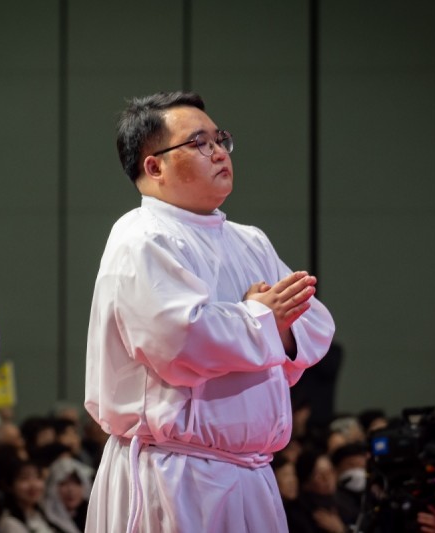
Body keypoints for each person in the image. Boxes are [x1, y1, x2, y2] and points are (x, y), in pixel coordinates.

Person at [84, 91, 335, 532]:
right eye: (200, 143)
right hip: (176, 472)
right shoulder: (142, 237)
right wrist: (261, 319)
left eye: (220, 139)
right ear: (154, 167)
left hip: (253, 470)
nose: (219, 152)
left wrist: (271, 325)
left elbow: (315, 323)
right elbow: (179, 340)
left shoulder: (249, 240)